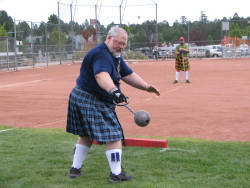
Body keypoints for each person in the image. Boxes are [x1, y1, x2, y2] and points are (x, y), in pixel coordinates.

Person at [66, 26, 160, 183]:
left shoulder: (114, 55)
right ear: (109, 38)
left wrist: (146, 86)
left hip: (82, 96)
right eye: (119, 43)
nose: (121, 47)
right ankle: (116, 174)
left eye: (124, 44)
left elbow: (127, 74)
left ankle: (75, 169)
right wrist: (114, 91)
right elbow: (100, 75)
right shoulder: (101, 54)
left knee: (86, 135)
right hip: (90, 97)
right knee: (114, 134)